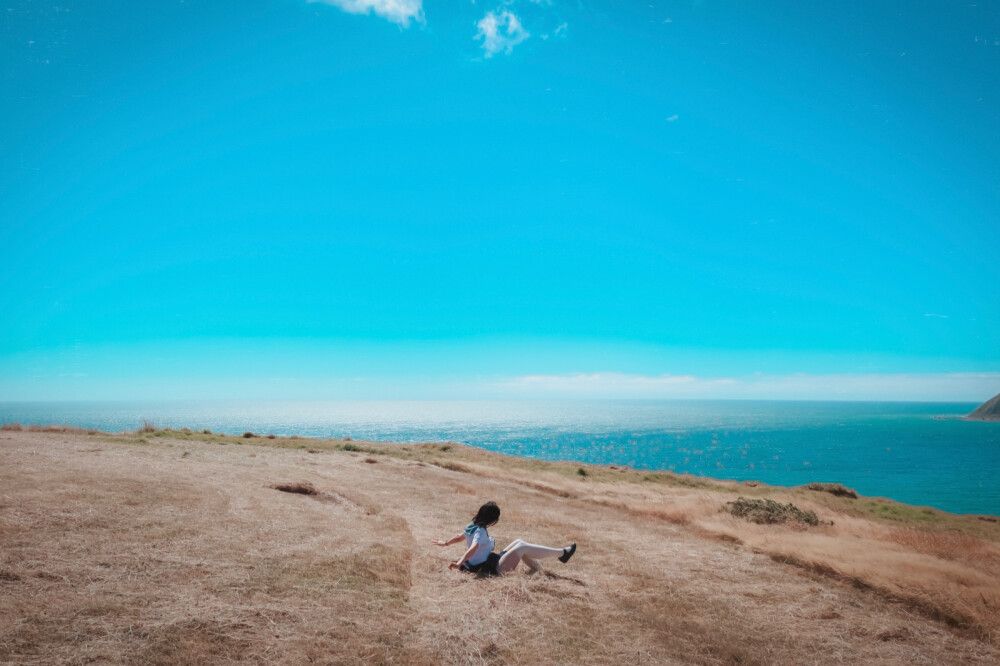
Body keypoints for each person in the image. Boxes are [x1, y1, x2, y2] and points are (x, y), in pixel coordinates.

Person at [431, 501, 577, 576]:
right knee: (522, 548)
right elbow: (473, 548)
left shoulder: (472, 525)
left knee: (519, 542)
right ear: (492, 520)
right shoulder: (480, 531)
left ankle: (541, 570)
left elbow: (459, 537)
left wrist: (446, 543)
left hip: (489, 560)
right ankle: (562, 553)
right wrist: (459, 563)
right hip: (492, 568)